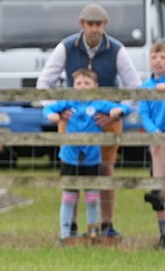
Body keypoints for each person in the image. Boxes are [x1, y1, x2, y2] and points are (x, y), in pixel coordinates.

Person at [36, 3, 140, 238]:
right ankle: (70, 227)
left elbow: (135, 87)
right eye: (90, 24)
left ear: (105, 25)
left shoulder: (116, 49)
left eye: (99, 24)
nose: (94, 29)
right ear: (81, 24)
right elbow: (44, 84)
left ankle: (105, 225)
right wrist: (54, 109)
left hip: (107, 119)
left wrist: (120, 111)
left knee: (106, 170)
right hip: (72, 119)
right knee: (71, 172)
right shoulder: (66, 47)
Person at [44, 68, 125, 243]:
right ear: (73, 86)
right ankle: (65, 234)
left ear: (95, 86)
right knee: (68, 196)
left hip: (92, 158)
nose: (82, 86)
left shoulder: (99, 104)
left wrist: (115, 112)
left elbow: (121, 107)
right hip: (69, 157)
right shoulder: (68, 103)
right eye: (79, 83)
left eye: (87, 83)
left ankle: (92, 232)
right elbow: (49, 108)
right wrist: (53, 115)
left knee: (92, 197)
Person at [140, 41, 165, 248]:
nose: (158, 62)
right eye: (155, 58)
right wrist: (153, 131)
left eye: (163, 58)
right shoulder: (145, 87)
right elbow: (144, 113)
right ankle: (163, 233)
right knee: (160, 193)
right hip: (155, 141)